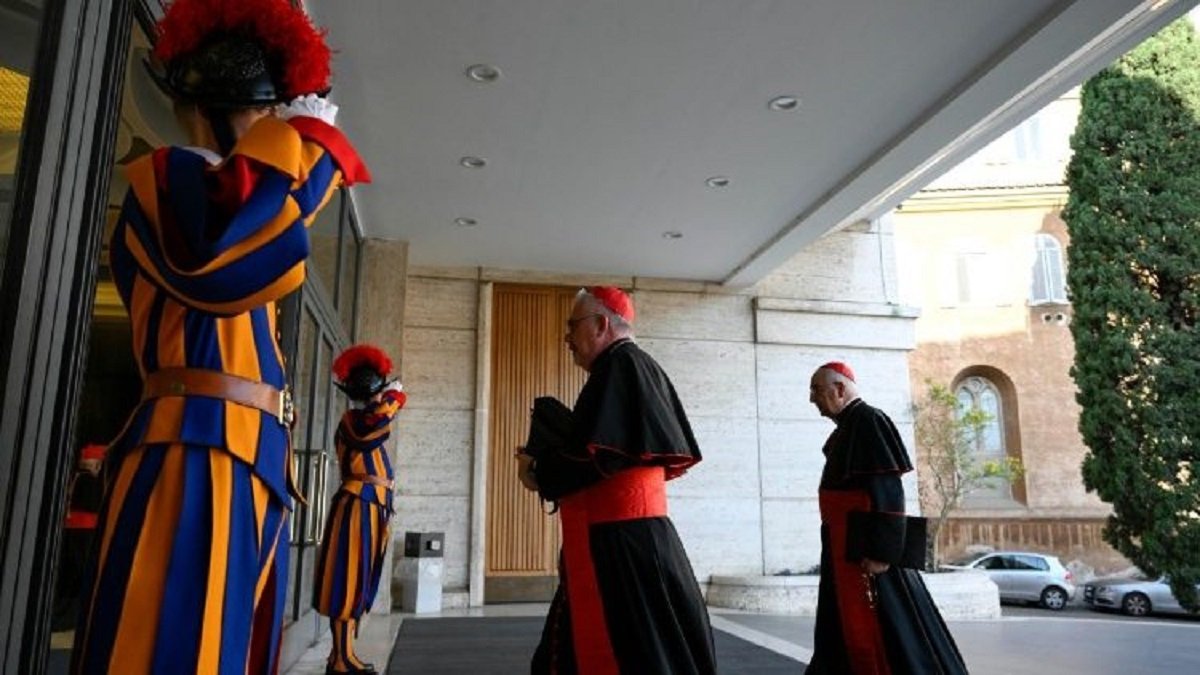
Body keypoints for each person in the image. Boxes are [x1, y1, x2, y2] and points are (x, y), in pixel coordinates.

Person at [72, 1, 370, 673]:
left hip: (245, 453)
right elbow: (228, 251)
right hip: (195, 446)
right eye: (268, 120)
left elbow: (266, 223)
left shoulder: (236, 201)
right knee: (173, 648)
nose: (280, 134)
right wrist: (314, 150)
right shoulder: (171, 182)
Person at [518, 286, 717, 675]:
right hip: (635, 541)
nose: (566, 339)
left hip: (619, 547)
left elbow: (592, 458)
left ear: (600, 325)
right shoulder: (634, 366)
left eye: (572, 327)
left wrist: (536, 471)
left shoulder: (619, 367)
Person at [805, 362, 968, 675]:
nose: (812, 399)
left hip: (867, 553)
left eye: (816, 389)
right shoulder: (849, 427)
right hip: (843, 549)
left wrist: (882, 553)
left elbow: (888, 490)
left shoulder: (869, 420)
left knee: (889, 632)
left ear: (839, 389)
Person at [313, 345, 407, 675]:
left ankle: (343, 655)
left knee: (361, 581)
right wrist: (394, 399)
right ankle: (340, 659)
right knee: (346, 580)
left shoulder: (365, 417)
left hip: (373, 506)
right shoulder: (354, 420)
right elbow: (372, 429)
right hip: (357, 503)